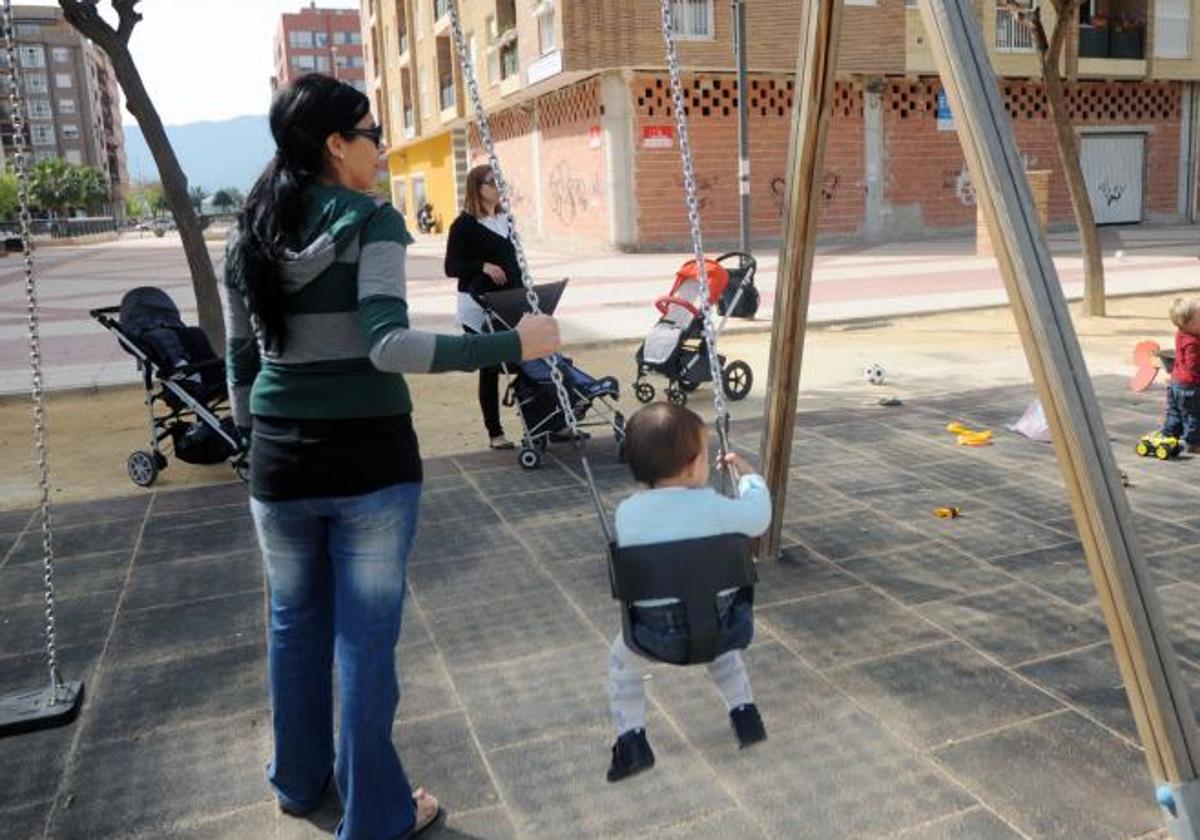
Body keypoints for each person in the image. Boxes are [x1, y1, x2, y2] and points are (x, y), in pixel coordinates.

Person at [221, 74, 560, 840]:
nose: (381, 146)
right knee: (364, 644)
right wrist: (513, 343)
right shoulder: (370, 220)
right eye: (372, 133)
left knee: (292, 627)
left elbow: (241, 358)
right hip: (369, 462)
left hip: (278, 462)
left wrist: (255, 439)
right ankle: (375, 817)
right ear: (336, 145)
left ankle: (299, 780)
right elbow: (386, 346)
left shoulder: (247, 231)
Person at [605, 402, 770, 783]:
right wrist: (749, 477)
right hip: (723, 625)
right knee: (722, 653)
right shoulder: (716, 507)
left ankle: (632, 740)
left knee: (621, 667)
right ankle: (745, 715)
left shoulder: (627, 514)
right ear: (695, 463)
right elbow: (759, 516)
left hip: (651, 636)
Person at [443, 165, 524, 450]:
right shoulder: (463, 225)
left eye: (500, 180)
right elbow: (451, 267)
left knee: (529, 357)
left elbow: (515, 260)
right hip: (477, 306)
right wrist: (483, 266)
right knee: (490, 367)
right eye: (492, 182)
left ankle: (543, 422)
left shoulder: (506, 219)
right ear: (477, 188)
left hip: (509, 302)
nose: (498, 186)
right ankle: (495, 433)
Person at [1162, 296, 1200, 453]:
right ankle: (1194, 443)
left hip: (1176, 382)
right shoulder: (1192, 342)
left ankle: (1169, 435)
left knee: (1175, 411)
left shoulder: (1181, 334)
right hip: (1190, 387)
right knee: (1194, 415)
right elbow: (1194, 366)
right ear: (1191, 324)